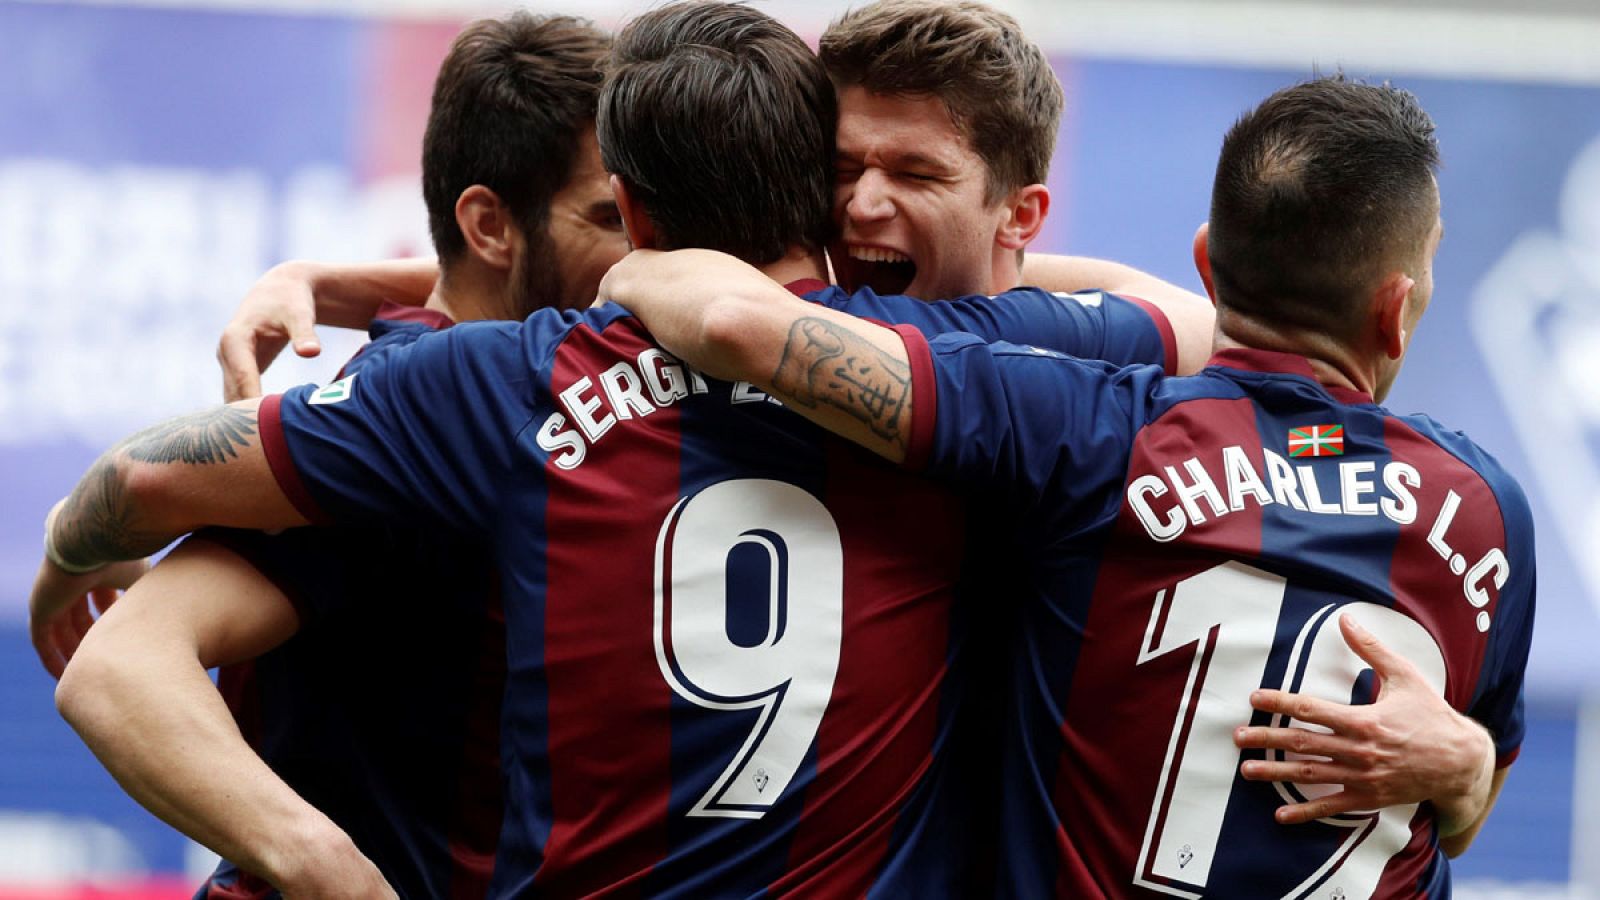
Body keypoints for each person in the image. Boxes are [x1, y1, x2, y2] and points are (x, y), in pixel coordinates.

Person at [33, 3, 1190, 893]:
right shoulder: (984, 368)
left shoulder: (478, 387)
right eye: (850, 177)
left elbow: (141, 483)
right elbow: (1183, 314)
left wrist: (65, 558)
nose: (875, 204)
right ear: (813, 202)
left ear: (636, 216)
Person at [597, 75, 1533, 896]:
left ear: (1207, 262)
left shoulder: (1082, 427)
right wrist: (1465, 765)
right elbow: (1462, 818)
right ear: (1395, 308)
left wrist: (629, 267)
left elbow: (738, 322)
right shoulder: (1488, 513)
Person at [47, 13, 626, 897]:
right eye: (611, 217)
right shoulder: (407, 430)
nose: (650, 254)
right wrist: (333, 873)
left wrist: (324, 281)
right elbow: (121, 667)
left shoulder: (523, 387)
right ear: (489, 225)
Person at [214, 0, 1213, 400]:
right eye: (838, 169)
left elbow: (1202, 322)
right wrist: (322, 281)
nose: (861, 206)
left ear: (1021, 215)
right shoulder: (1056, 335)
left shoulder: (1050, 353)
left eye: (912, 176)